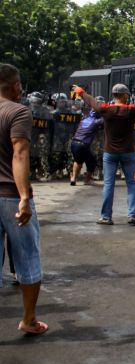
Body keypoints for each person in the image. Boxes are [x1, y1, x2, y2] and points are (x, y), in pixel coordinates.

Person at [73, 81, 135, 225]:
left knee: (108, 184)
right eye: (127, 95)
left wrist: (81, 92)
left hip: (109, 153)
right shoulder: (131, 110)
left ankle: (105, 217)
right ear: (124, 95)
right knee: (132, 183)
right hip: (128, 152)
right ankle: (132, 215)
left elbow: (92, 101)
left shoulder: (105, 109)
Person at [0, 63, 47, 335]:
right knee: (28, 258)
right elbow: (19, 154)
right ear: (15, 85)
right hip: (9, 196)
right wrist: (24, 198)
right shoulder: (18, 111)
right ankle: (28, 320)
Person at [69, 109, 103, 186]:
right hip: (83, 145)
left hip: (74, 143)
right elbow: (105, 119)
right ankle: (87, 180)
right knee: (92, 162)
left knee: (78, 161)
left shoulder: (83, 120)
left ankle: (73, 178)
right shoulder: (96, 121)